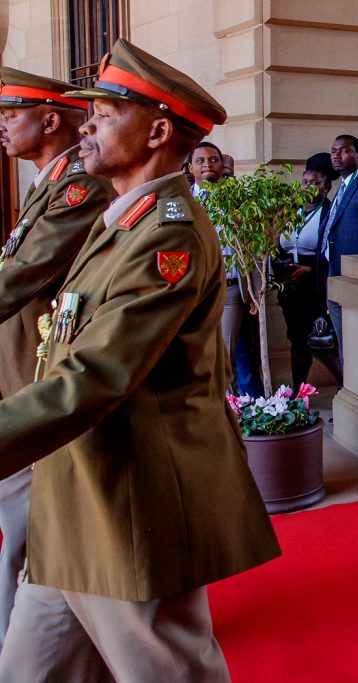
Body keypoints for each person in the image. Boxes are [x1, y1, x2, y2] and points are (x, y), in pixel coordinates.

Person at [0, 39, 280, 679]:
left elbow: (96, 374)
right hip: (76, 499)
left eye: (103, 114)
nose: (86, 126)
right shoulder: (124, 222)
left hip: (129, 505)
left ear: (157, 133)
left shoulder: (167, 235)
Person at [0, 67, 113, 649]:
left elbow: (24, 272)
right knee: (21, 528)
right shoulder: (47, 183)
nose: (1, 127)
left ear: (48, 120)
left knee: (28, 531)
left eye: (9, 116)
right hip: (21, 370)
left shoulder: (80, 186)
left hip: (43, 378)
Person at [191, 141, 263, 396]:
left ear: (223, 165)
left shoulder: (238, 201)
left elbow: (254, 247)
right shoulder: (182, 202)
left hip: (229, 289)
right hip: (194, 291)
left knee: (226, 356)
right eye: (200, 161)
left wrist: (255, 289)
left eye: (214, 160)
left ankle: (227, 410)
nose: (207, 165)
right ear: (190, 167)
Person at [277, 152, 344, 387]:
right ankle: (298, 393)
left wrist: (310, 271)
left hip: (314, 286)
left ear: (326, 187)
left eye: (314, 182)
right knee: (297, 341)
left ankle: (346, 387)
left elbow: (332, 253)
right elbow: (277, 245)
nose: (307, 186)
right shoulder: (291, 211)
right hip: (290, 287)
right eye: (305, 181)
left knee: (322, 342)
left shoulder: (329, 214)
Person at [318, 134, 358, 370]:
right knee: (344, 344)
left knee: (355, 347)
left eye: (344, 151)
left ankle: (354, 386)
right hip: (335, 274)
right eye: (333, 151)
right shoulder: (344, 186)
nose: (336, 156)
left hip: (356, 280)